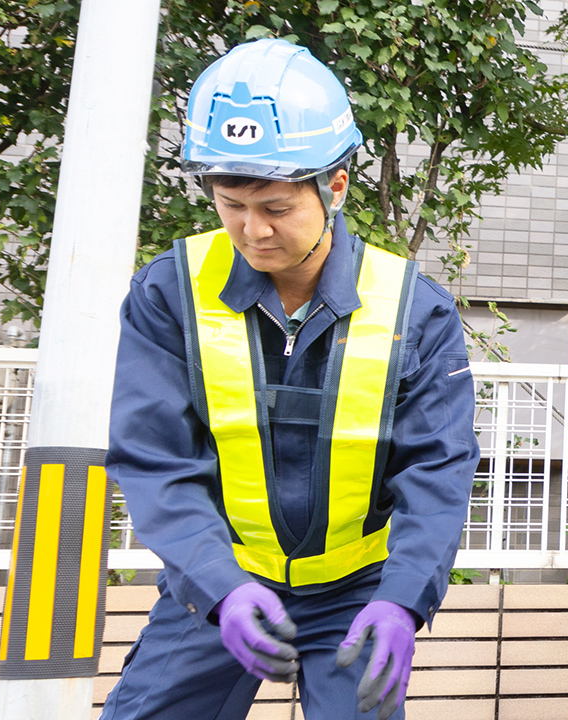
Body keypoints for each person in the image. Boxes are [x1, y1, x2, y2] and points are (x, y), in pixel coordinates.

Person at [100, 39, 478, 720]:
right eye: (230, 203)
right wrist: (220, 585)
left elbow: (437, 468)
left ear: (335, 186)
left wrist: (403, 596)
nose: (253, 230)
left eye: (276, 206)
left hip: (357, 593)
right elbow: (155, 459)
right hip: (222, 583)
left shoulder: (412, 308)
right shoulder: (171, 293)